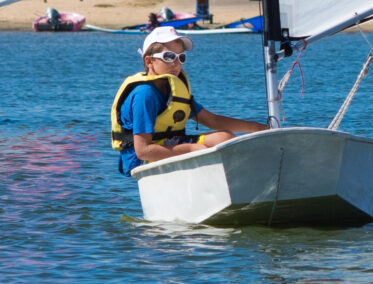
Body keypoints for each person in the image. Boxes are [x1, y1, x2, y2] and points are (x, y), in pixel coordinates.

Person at [108, 26, 266, 175]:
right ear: (149, 61)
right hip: (144, 159)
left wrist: (255, 127)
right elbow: (142, 151)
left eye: (181, 57)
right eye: (169, 57)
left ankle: (248, 178)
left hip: (168, 142)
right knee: (201, 149)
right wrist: (191, 149)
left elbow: (212, 120)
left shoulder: (174, 90)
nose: (177, 64)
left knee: (224, 138)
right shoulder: (145, 94)